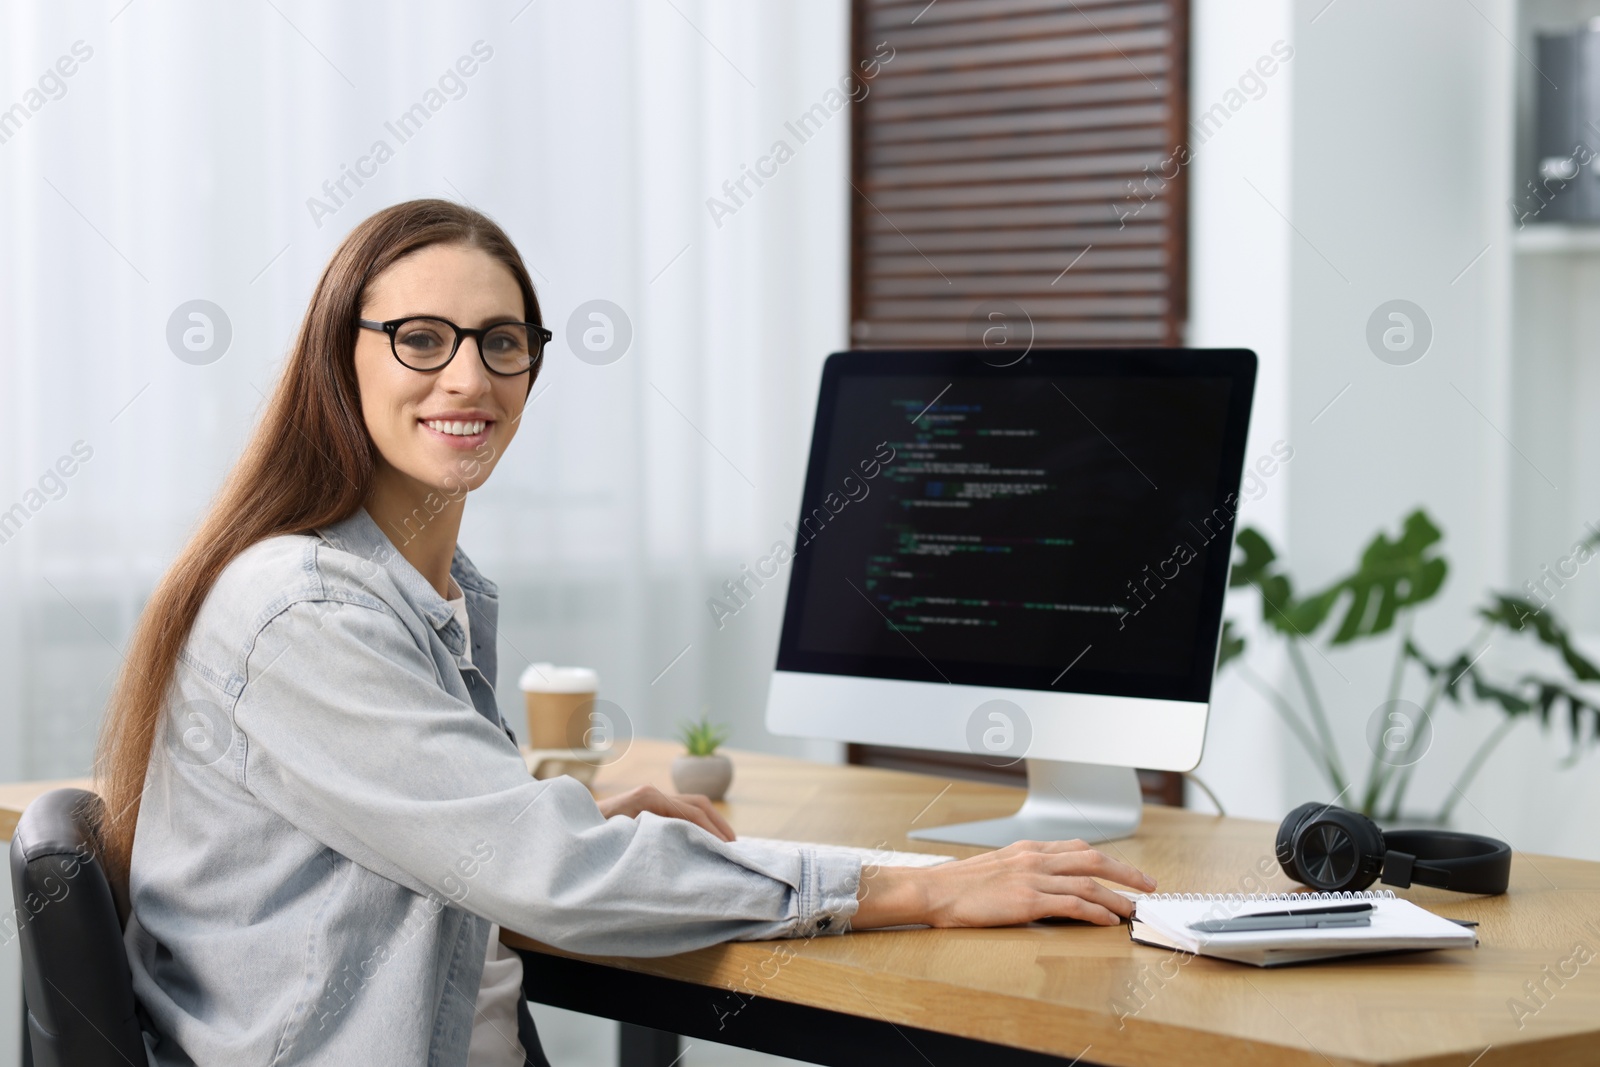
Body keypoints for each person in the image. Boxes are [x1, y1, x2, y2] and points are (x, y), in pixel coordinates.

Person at [93, 199, 1158, 1067]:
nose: (467, 376)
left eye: (500, 342)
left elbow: (466, 839)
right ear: (341, 357)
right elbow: (543, 874)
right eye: (420, 338)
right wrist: (918, 885)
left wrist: (576, 822)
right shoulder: (305, 610)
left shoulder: (434, 586)